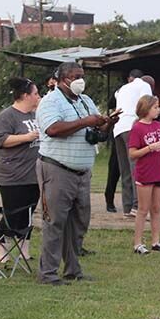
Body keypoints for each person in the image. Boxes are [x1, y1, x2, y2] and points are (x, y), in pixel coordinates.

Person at [36, 61, 117, 285]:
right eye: (76, 76)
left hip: (82, 170)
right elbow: (52, 129)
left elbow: (95, 132)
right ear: (63, 79)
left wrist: (107, 124)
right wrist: (86, 122)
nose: (81, 80)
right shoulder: (50, 101)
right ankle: (48, 273)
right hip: (57, 169)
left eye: (82, 75)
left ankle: (73, 269)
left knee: (79, 221)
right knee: (55, 222)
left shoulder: (85, 100)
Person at [0, 77, 42, 263]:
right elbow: (2, 140)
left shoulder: (35, 115)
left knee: (28, 214)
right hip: (12, 175)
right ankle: (2, 250)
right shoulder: (7, 115)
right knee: (12, 214)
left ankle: (24, 250)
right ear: (25, 96)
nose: (38, 97)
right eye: (36, 93)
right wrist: (26, 137)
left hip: (33, 175)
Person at [128, 95, 160, 254]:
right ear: (146, 109)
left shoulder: (159, 126)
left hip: (159, 172)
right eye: (156, 107)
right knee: (143, 209)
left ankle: (155, 241)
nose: (159, 110)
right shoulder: (137, 128)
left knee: (156, 209)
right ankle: (137, 243)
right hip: (145, 173)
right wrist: (149, 148)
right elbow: (132, 154)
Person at [112, 69, 152, 218]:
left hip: (118, 129)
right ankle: (138, 206)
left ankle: (127, 207)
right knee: (137, 168)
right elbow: (145, 106)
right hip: (132, 127)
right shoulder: (144, 85)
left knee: (125, 170)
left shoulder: (122, 88)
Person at [103, 93, 121, 213]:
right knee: (115, 168)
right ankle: (109, 198)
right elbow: (110, 104)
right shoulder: (121, 91)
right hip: (121, 132)